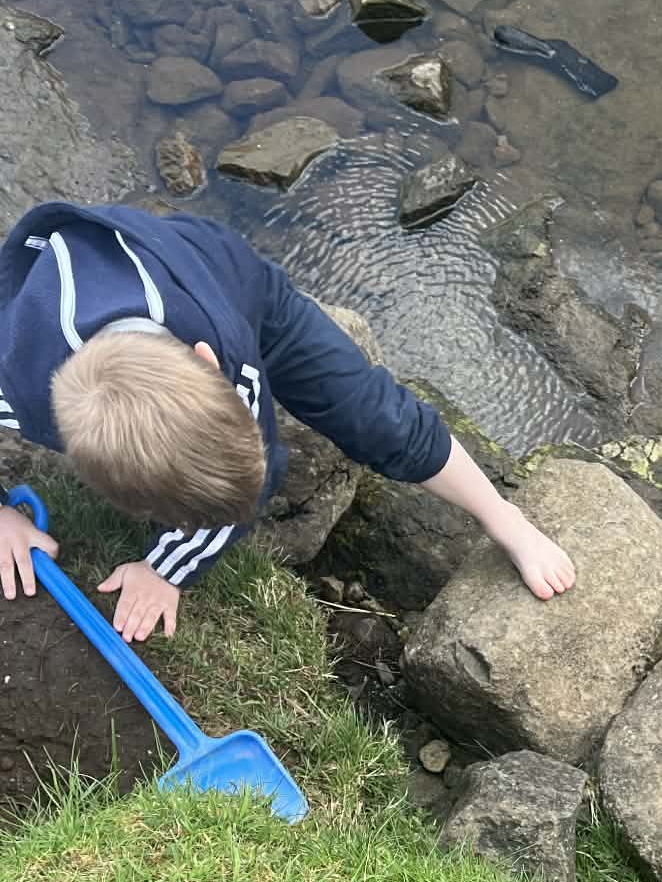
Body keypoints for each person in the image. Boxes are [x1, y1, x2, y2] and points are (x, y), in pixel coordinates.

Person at [0, 201, 574, 641]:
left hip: (237, 286)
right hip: (123, 286)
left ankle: (501, 515)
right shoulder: (13, 380)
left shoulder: (227, 356)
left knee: (375, 416)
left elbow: (250, 481)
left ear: (208, 363)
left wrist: (167, 569)